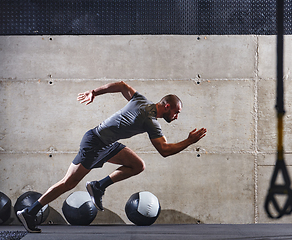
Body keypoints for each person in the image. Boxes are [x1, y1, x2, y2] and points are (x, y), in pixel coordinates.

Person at [17, 81, 207, 233]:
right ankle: (29, 212)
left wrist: (94, 92)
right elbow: (164, 150)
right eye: (176, 113)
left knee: (137, 165)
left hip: (106, 143)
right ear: (166, 106)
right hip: (94, 143)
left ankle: (98, 186)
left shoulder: (141, 100)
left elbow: (122, 86)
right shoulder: (150, 121)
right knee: (68, 183)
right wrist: (189, 141)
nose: (176, 117)